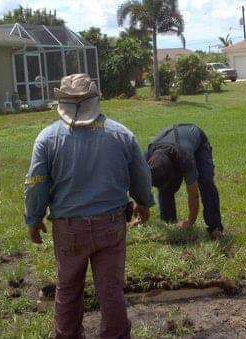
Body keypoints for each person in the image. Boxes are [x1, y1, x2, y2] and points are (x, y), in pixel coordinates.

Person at [24, 74, 154, 338]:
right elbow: (141, 174)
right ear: (97, 99)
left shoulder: (47, 139)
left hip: (69, 230)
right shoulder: (121, 134)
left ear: (61, 101)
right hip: (111, 225)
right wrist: (143, 202)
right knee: (111, 290)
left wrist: (34, 219)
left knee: (68, 288)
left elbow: (36, 183)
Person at [146, 124, 224, 240]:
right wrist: (141, 207)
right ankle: (169, 221)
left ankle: (215, 227)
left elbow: (193, 195)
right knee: (165, 187)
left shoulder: (185, 159)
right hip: (171, 139)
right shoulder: (147, 156)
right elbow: (138, 183)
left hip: (196, 139)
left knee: (206, 181)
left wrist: (190, 221)